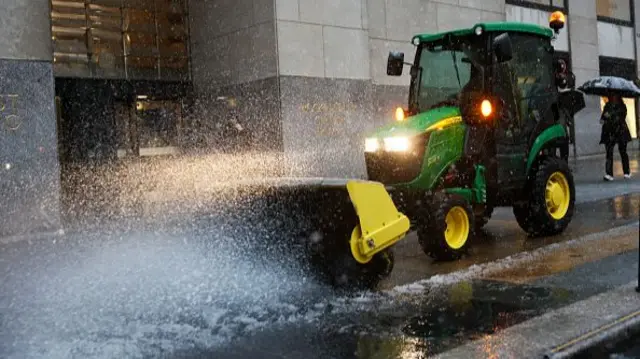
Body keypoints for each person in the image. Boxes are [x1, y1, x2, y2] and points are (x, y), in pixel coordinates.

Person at [600, 94, 632, 181]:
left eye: (614, 95)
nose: (612, 97)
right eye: (611, 95)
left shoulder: (622, 106)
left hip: (620, 131)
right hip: (609, 132)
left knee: (623, 152)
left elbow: (621, 117)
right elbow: (602, 119)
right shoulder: (607, 106)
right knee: (609, 152)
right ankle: (609, 174)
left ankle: (627, 172)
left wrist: (612, 116)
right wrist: (605, 116)